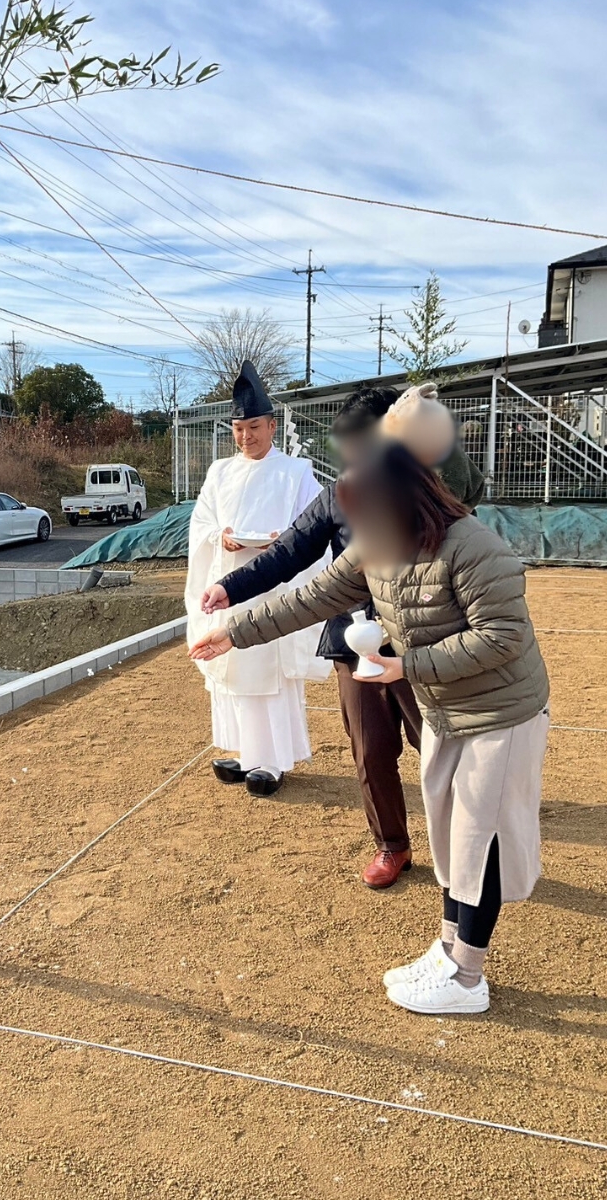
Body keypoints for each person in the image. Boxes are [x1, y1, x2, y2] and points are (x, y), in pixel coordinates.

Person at [191, 442, 549, 1015]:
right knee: (452, 832)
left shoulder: (474, 546)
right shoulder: (376, 542)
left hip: (499, 711)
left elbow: (502, 636)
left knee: (480, 837)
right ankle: (449, 947)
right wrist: (236, 629)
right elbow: (314, 595)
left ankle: (466, 977)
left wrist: (409, 667)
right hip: (446, 708)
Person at [200, 384, 483, 889]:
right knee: (370, 750)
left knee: (441, 747)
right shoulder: (340, 496)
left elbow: (470, 490)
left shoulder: (435, 489)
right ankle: (392, 845)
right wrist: (229, 586)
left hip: (425, 639)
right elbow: (288, 553)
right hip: (357, 639)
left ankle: (471, 841)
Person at [185, 360, 331, 798]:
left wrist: (283, 541)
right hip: (227, 581)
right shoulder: (220, 472)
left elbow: (316, 527)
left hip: (274, 589)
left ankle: (272, 760)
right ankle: (245, 752)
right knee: (229, 667)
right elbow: (201, 521)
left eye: (254, 427)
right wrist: (220, 537)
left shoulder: (296, 473)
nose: (246, 436)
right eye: (238, 428)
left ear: (272, 426)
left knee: (268, 671)